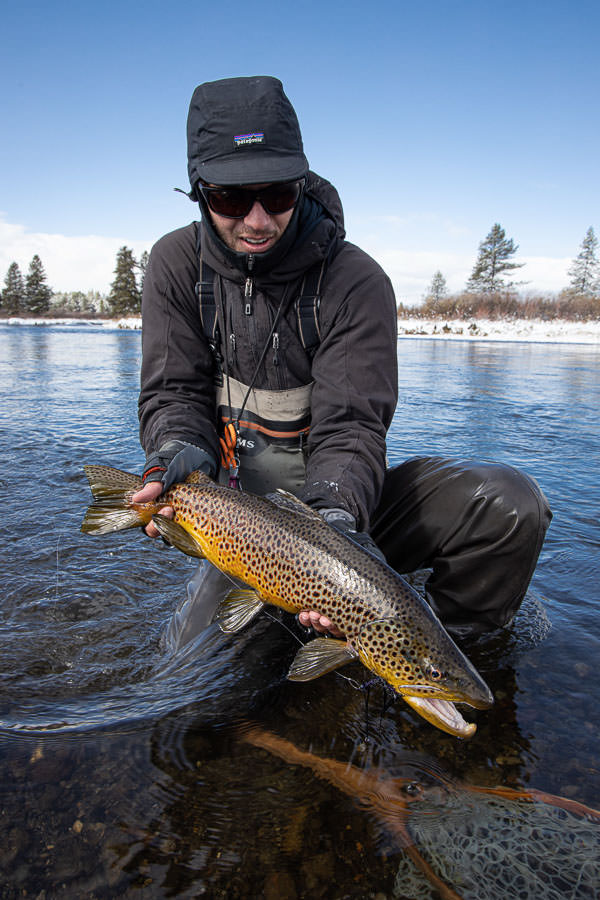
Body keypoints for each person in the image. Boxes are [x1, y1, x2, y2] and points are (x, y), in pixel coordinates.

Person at [132, 75, 551, 648]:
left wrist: (333, 524)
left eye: (277, 194)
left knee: (508, 506)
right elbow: (173, 393)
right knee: (184, 684)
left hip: (346, 517)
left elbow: (353, 423)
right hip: (240, 528)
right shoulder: (176, 266)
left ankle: (440, 659)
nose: (256, 220)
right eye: (230, 198)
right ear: (198, 190)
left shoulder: (356, 281)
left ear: (301, 184)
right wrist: (175, 454)